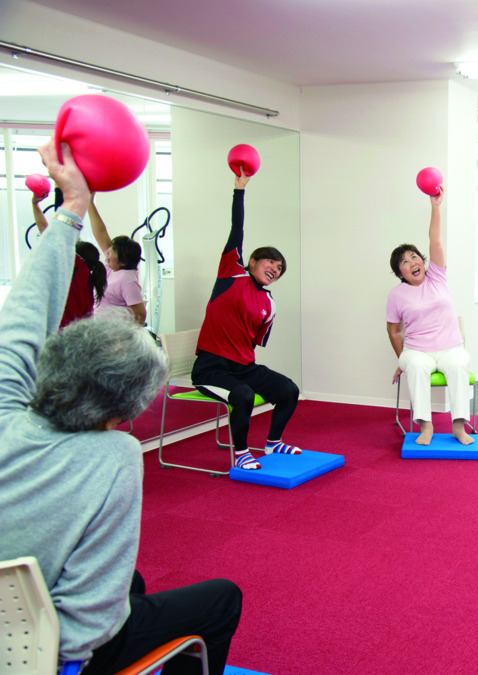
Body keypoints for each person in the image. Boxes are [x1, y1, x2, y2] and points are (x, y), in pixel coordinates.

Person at [0, 140, 242, 675]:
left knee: (132, 582)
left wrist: (71, 210)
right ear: (125, 410)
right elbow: (91, 625)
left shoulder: (4, 412)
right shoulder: (114, 456)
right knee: (221, 598)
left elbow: (21, 317)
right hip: (37, 655)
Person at [191, 168, 303, 471]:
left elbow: (254, 341)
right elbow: (236, 228)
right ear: (251, 261)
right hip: (210, 368)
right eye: (270, 262)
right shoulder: (232, 273)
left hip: (244, 367)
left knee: (289, 390)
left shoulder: (269, 303)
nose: (275, 269)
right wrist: (239, 190)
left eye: (280, 269)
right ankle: (240, 453)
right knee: (242, 396)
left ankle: (273, 442)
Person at [386, 186, 473, 446]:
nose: (413, 262)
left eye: (415, 257)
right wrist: (402, 358)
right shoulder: (396, 295)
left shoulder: (437, 276)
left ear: (423, 261)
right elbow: (393, 330)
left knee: (458, 365)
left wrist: (435, 207)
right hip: (417, 350)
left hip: (450, 347)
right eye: (405, 261)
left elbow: (435, 241)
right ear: (400, 272)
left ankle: (459, 426)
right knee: (417, 366)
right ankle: (426, 426)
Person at [33, 189, 107, 327]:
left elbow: (46, 232)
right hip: (76, 337)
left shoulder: (75, 266)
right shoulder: (89, 280)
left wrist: (35, 205)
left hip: (59, 334)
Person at [88, 197, 146, 325]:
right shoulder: (112, 267)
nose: (107, 252)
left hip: (115, 334)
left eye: (112, 251)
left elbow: (140, 314)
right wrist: (89, 203)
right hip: (100, 328)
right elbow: (101, 232)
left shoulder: (127, 279)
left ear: (123, 261)